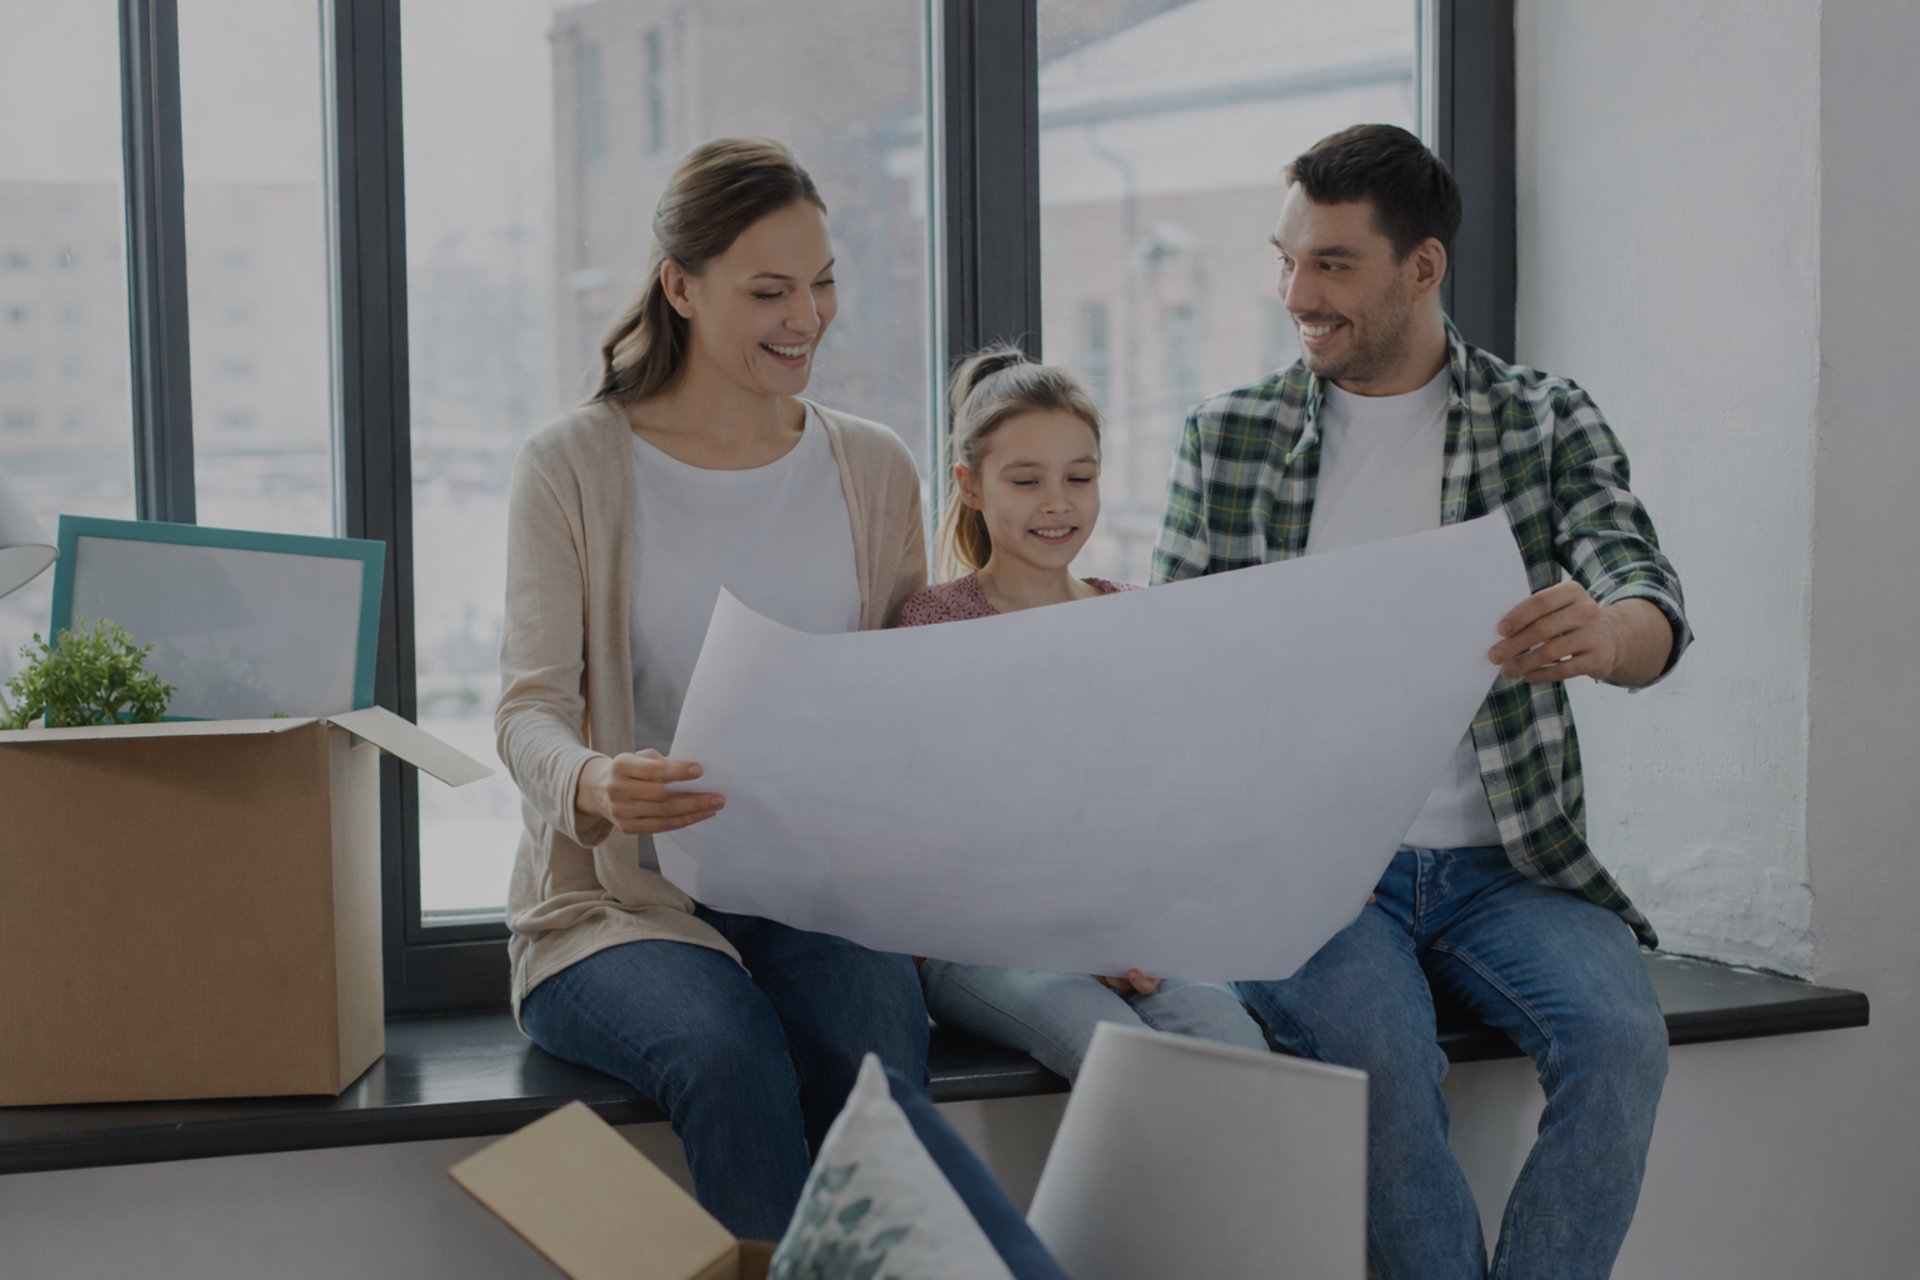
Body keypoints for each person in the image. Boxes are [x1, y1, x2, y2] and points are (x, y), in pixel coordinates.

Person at [1153, 124, 1692, 1279]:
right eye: (1287, 258)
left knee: (1621, 1039)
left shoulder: (1544, 420)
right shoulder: (1228, 437)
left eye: (1335, 264)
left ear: (1424, 268)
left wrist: (1606, 636)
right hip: (1314, 871)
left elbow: (1643, 588)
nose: (1299, 293)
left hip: (1507, 864)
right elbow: (1175, 677)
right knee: (1376, 1056)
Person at [496, 137, 931, 1240]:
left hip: (815, 885)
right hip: (614, 903)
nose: (808, 315)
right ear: (680, 287)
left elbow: (912, 690)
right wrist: (594, 778)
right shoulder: (574, 464)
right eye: (770, 289)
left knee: (881, 1065)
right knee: (728, 1051)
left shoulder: (872, 466)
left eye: (823, 281)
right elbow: (525, 710)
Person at [903, 345, 1271, 1081]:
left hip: (1131, 931)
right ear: (971, 486)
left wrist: (1138, 934)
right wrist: (1071, 941)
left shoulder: (1136, 618)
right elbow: (935, 835)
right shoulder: (934, 624)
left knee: (1239, 1059)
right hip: (983, 939)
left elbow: (1163, 805)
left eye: (1080, 477)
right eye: (1026, 479)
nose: (1057, 502)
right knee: (1119, 1059)